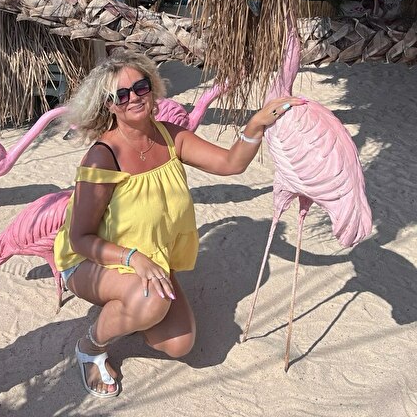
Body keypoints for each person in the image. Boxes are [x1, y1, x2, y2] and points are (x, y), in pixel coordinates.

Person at [53, 50, 305, 398]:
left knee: (179, 344)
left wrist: (256, 125)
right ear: (109, 105)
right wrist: (133, 258)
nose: (133, 98)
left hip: (149, 259)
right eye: (120, 95)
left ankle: (131, 305)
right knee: (151, 301)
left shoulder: (171, 137)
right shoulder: (103, 157)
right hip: (92, 260)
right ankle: (91, 346)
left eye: (140, 87)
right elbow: (79, 238)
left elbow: (231, 163)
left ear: (152, 87)